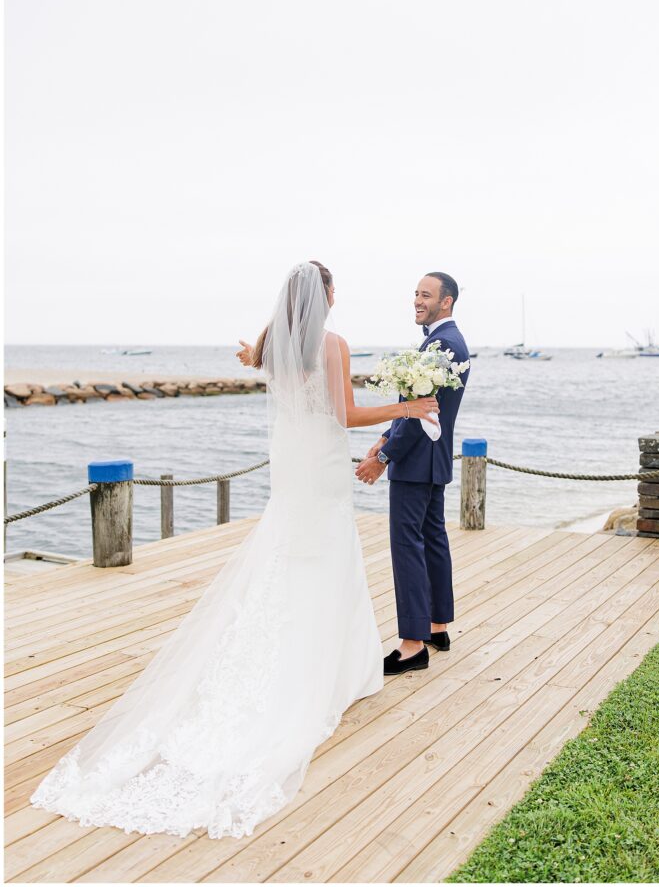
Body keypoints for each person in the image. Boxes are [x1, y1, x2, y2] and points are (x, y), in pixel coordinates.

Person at [30, 260, 438, 840]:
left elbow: (264, 365)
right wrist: (407, 408)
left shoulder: (274, 342)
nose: (335, 297)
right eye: (332, 289)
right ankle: (332, 670)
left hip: (292, 472)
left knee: (291, 560)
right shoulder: (334, 343)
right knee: (325, 560)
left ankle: (314, 658)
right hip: (321, 470)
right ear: (321, 298)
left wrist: (252, 356)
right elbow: (344, 415)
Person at [355, 272, 470, 675]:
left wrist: (384, 457)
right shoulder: (449, 342)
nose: (418, 301)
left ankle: (411, 645)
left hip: (416, 462)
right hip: (432, 461)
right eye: (416, 294)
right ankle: (437, 628)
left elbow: (424, 413)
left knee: (408, 547)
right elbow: (418, 403)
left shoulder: (441, 344)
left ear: (447, 301)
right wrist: (386, 432)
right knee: (433, 540)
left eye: (426, 295)